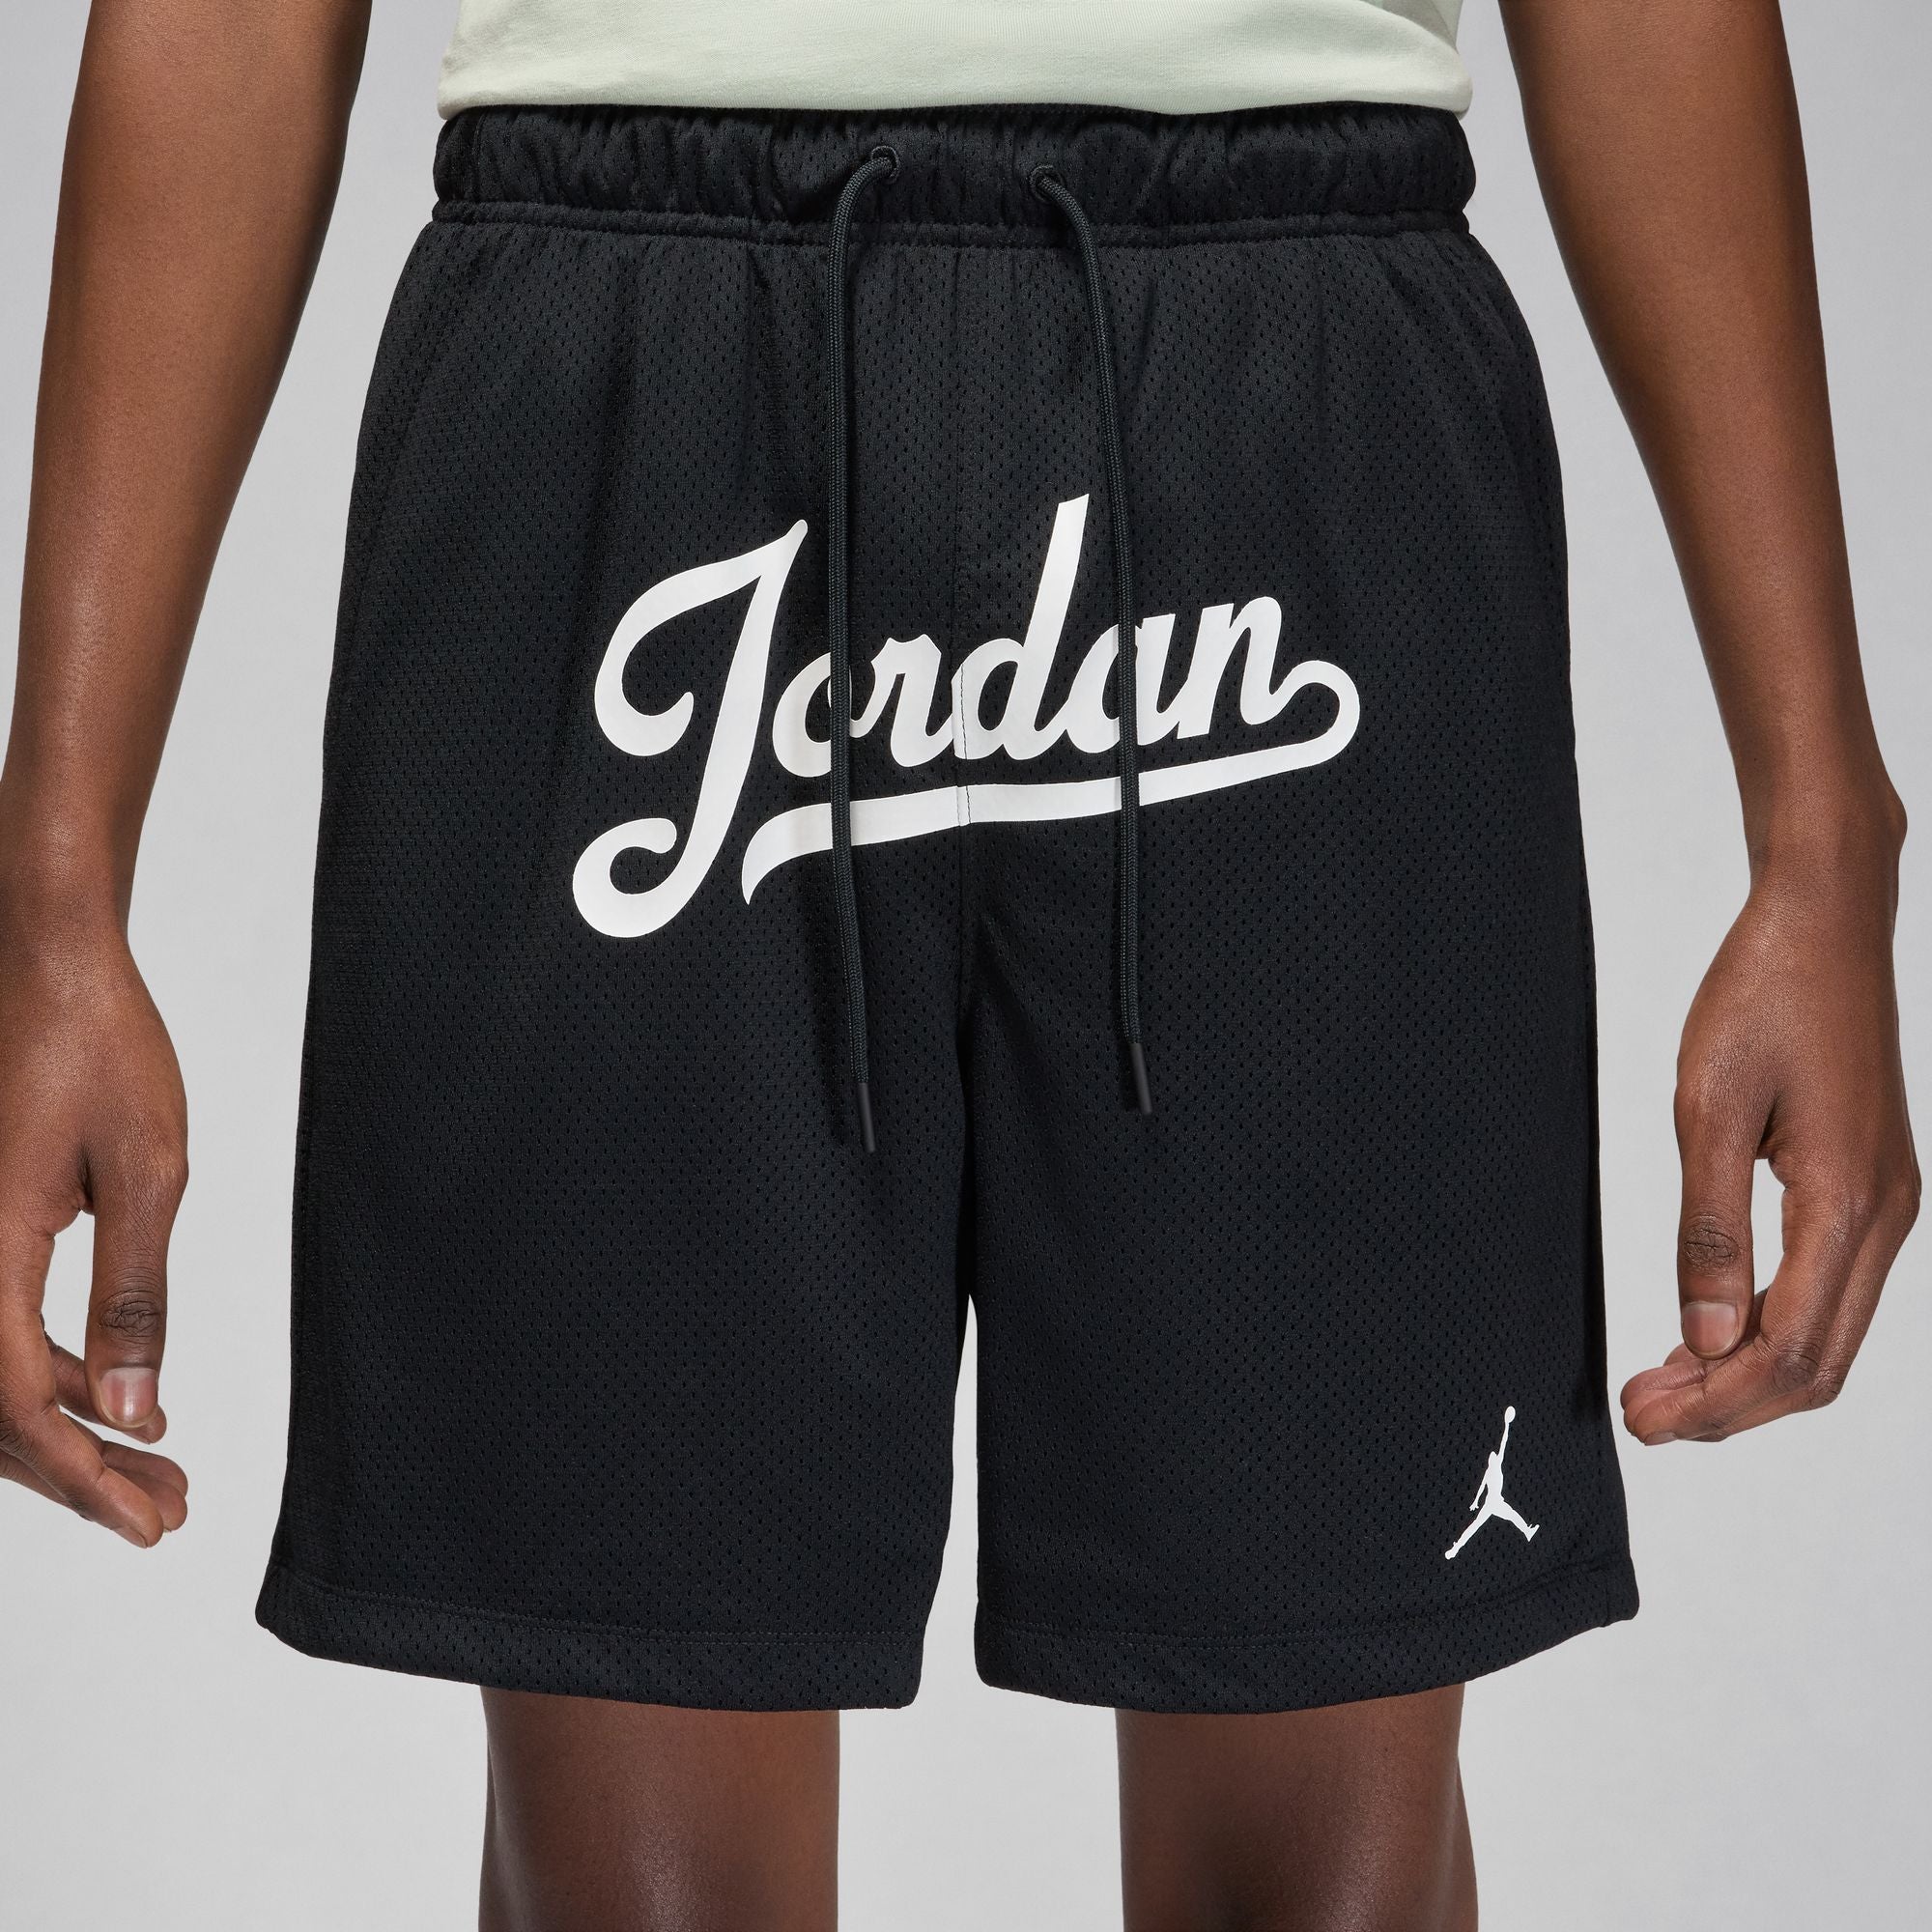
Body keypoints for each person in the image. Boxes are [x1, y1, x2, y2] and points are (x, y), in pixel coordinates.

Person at [0, 1, 1917, 1926]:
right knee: (630, 1890)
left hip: (1292, 374)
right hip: (631, 377)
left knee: (1325, 1877)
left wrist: (1822, 843)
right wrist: (54, 903)